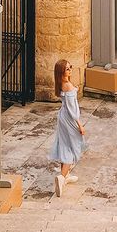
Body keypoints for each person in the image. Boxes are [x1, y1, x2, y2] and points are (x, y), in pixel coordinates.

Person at [49, 59, 87, 197]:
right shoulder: (68, 86)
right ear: (61, 72)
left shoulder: (61, 84)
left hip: (62, 117)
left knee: (64, 144)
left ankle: (66, 175)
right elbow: (73, 110)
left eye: (70, 67)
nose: (70, 70)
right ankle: (61, 178)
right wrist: (80, 125)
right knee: (71, 147)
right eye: (67, 69)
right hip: (69, 119)